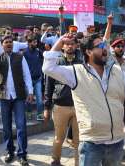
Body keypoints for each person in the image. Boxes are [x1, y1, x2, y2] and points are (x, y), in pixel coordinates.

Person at [42, 14, 125, 166]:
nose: (105, 49)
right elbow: (48, 68)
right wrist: (61, 41)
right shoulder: (76, 72)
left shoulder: (117, 71)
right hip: (91, 144)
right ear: (88, 52)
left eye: (105, 46)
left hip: (116, 143)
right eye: (100, 47)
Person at [44, 36, 82, 166]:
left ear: (76, 46)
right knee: (58, 138)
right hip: (60, 106)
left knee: (78, 140)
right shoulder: (55, 62)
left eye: (72, 44)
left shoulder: (82, 62)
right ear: (62, 46)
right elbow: (48, 86)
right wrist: (46, 107)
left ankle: (78, 163)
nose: (70, 46)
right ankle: (55, 161)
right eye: (67, 44)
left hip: (79, 107)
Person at [0, 35, 33, 166]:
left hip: (18, 96)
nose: (9, 44)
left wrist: (30, 91)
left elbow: (26, 74)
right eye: (6, 42)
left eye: (10, 42)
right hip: (3, 97)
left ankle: (22, 154)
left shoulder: (20, 57)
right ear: (2, 45)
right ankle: (10, 152)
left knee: (21, 126)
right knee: (6, 127)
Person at [23, 34, 44, 121]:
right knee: (29, 99)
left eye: (36, 42)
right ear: (29, 42)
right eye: (34, 42)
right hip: (28, 80)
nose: (36, 43)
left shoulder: (38, 52)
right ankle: (28, 112)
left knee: (39, 98)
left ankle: (39, 114)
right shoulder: (24, 53)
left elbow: (42, 62)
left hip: (38, 79)